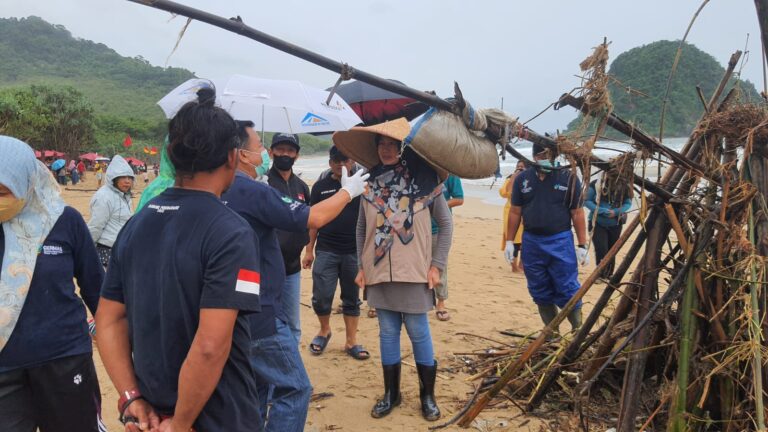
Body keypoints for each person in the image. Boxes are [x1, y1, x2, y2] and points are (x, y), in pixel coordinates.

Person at [96, 90, 264, 431]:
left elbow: (108, 320)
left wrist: (130, 397)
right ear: (232, 157)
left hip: (150, 412)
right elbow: (210, 346)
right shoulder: (233, 233)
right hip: (218, 413)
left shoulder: (136, 224)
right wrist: (181, 422)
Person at [223, 122, 367, 431]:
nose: (264, 152)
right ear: (242, 154)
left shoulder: (218, 189)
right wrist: (348, 192)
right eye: (259, 146)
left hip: (236, 304)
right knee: (295, 387)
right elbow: (314, 216)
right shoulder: (254, 189)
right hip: (259, 309)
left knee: (258, 383)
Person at [334, 117, 452, 421]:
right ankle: (392, 394)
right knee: (387, 332)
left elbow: (446, 224)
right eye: (381, 144)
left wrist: (437, 265)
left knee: (418, 331)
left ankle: (427, 396)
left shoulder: (425, 180)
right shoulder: (369, 183)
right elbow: (362, 228)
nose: (386, 149)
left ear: (403, 147)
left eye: (392, 144)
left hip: (414, 271)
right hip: (377, 270)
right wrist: (362, 265)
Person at [0, 136, 105, 432]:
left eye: (2, 192)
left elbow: (96, 288)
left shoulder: (64, 220)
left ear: (26, 183)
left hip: (64, 357)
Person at [504, 143, 588, 330]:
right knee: (539, 288)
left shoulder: (569, 177)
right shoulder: (523, 179)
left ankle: (577, 330)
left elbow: (577, 213)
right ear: (534, 157)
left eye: (549, 156)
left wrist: (582, 245)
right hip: (531, 241)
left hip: (560, 240)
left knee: (567, 286)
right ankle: (551, 333)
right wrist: (510, 241)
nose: (545, 160)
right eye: (541, 156)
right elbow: (515, 211)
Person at [303, 146, 369, 359]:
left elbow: (372, 218)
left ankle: (351, 341)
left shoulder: (362, 185)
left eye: (346, 159)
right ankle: (324, 331)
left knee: (351, 298)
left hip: (354, 251)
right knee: (321, 297)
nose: (341, 164)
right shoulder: (320, 186)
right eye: (337, 160)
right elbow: (313, 222)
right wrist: (309, 250)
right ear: (330, 162)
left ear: (353, 161)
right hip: (326, 249)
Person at [266, 133, 311, 343]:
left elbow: (309, 218)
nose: (285, 154)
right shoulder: (263, 184)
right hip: (267, 266)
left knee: (293, 323)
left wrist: (309, 249)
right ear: (271, 152)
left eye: (290, 150)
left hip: (292, 267)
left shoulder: (301, 186)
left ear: (297, 155)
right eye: (280, 149)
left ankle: (293, 359)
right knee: (268, 321)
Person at [87, 155, 134, 268]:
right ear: (113, 178)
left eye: (130, 177)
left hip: (123, 249)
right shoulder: (104, 197)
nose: (127, 181)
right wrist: (86, 249)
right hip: (107, 251)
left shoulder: (125, 196)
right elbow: (96, 226)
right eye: (123, 177)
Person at [584, 172, 632, 280]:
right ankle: (601, 275)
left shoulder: (623, 186)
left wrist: (616, 212)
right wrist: (601, 210)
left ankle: (609, 274)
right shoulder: (595, 184)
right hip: (597, 223)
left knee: (612, 250)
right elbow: (586, 201)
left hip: (616, 223)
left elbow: (628, 203)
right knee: (601, 249)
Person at [431, 174, 463, 321]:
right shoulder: (420, 170)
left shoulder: (450, 174)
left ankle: (441, 302)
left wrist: (437, 206)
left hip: (439, 228)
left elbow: (459, 199)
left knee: (439, 266)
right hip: (417, 228)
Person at [500, 160, 526, 273]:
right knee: (514, 240)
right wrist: (513, 178)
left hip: (526, 213)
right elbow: (505, 193)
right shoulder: (510, 179)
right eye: (518, 166)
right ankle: (514, 267)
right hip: (511, 212)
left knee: (525, 241)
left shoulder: (530, 180)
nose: (519, 168)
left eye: (522, 167)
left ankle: (522, 265)